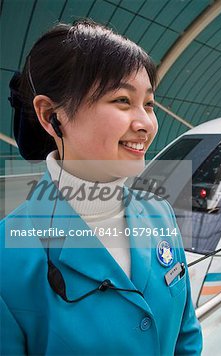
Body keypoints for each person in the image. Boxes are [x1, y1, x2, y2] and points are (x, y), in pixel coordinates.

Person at [1, 20, 202, 355]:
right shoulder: (9, 260)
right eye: (123, 100)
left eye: (149, 104)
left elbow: (186, 338)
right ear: (52, 115)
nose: (146, 124)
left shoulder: (159, 213)